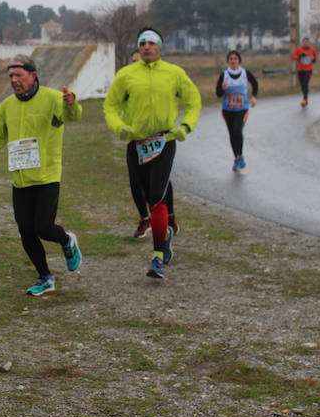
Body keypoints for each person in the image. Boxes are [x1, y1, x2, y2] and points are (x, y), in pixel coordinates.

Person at [0, 54, 82, 296]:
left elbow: (71, 117)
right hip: (20, 179)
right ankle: (45, 277)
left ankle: (67, 241)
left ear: (33, 75)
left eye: (18, 75)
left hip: (47, 176)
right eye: (10, 76)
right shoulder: (6, 106)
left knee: (43, 227)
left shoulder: (52, 98)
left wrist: (71, 103)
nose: (14, 80)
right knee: (26, 231)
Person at [103, 28, 201, 279]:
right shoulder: (126, 75)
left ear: (160, 47)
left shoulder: (174, 73)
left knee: (157, 197)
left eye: (151, 43)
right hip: (136, 142)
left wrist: (185, 126)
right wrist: (119, 127)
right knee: (143, 192)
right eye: (142, 43)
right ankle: (164, 232)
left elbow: (193, 101)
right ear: (138, 47)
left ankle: (157, 257)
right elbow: (110, 107)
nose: (147, 46)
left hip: (164, 140)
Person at [123, 49, 178, 239]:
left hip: (158, 139)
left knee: (160, 181)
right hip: (135, 139)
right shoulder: (128, 81)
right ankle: (144, 218)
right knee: (135, 181)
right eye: (133, 62)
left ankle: (169, 217)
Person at [215, 50, 258, 171]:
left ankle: (241, 155)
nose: (233, 61)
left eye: (235, 58)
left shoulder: (245, 73)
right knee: (232, 134)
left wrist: (254, 96)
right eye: (231, 59)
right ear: (228, 61)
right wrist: (223, 89)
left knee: (237, 131)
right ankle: (236, 158)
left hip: (242, 109)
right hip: (227, 110)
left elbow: (255, 83)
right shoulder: (224, 75)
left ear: (239, 60)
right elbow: (218, 93)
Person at [290, 37, 317, 107]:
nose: (306, 43)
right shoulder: (299, 49)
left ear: (309, 43)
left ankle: (305, 99)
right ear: (302, 43)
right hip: (300, 70)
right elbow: (292, 57)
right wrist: (300, 56)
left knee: (305, 83)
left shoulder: (312, 50)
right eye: (304, 42)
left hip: (308, 69)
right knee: (302, 85)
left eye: (307, 42)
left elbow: (315, 57)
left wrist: (313, 59)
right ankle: (305, 95)